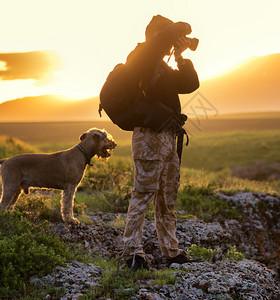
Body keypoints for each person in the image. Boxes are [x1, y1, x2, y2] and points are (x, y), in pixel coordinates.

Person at [121, 15, 200, 270]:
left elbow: (190, 83)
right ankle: (133, 253)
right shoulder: (140, 58)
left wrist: (179, 55)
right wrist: (181, 31)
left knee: (167, 198)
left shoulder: (162, 67)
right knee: (143, 194)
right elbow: (164, 37)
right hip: (148, 138)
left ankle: (171, 251)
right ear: (156, 36)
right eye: (166, 38)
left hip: (169, 138)